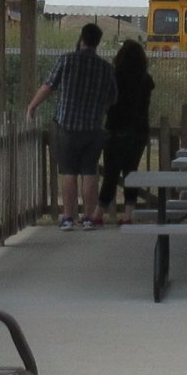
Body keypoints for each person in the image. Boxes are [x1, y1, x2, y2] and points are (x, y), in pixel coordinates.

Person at [27, 21, 120, 229]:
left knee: (68, 171)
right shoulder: (105, 68)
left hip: (65, 126)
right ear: (97, 42)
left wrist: (32, 106)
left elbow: (48, 86)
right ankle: (88, 218)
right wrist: (98, 109)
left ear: (82, 38)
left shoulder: (66, 60)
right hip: (93, 128)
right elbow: (113, 98)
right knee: (89, 172)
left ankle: (68, 217)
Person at [100, 38, 155, 224]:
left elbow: (107, 103)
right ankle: (129, 213)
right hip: (139, 131)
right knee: (131, 171)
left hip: (116, 128)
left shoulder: (115, 77)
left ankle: (98, 213)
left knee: (111, 172)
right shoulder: (146, 80)